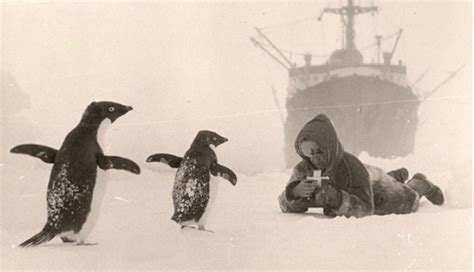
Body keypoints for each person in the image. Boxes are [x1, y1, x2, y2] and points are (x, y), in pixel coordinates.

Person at [278, 114, 444, 218]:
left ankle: (419, 182)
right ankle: (395, 176)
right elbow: (283, 202)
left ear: (328, 146)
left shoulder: (350, 166)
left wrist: (337, 199)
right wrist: (294, 192)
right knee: (381, 179)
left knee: (408, 201)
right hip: (366, 179)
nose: (313, 157)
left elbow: (366, 208)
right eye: (307, 152)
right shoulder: (303, 169)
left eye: (318, 150)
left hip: (375, 187)